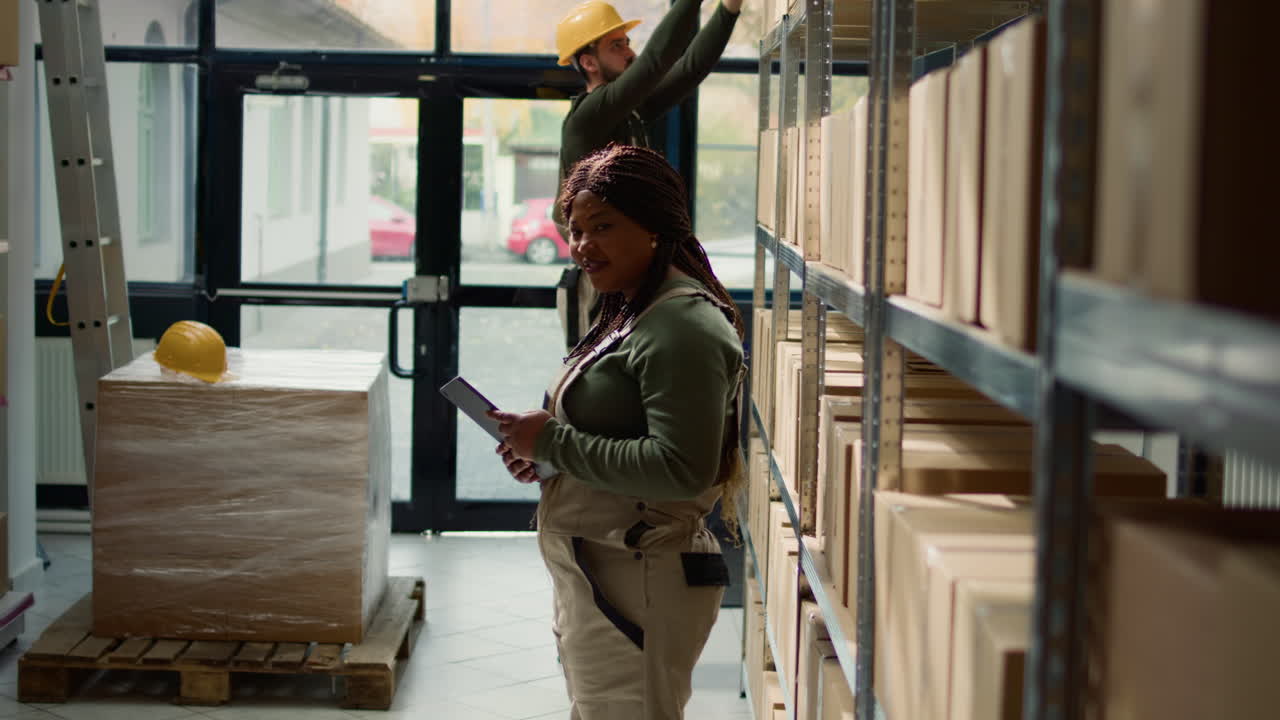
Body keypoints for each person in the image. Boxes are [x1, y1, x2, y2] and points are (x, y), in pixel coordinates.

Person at [490, 144, 747, 720]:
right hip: (602, 570)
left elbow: (682, 470)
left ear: (654, 227)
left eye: (602, 226)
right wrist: (547, 458)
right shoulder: (634, 310)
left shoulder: (683, 325)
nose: (583, 246)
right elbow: (620, 434)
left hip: (640, 578)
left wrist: (555, 443)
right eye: (575, 230)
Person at [553, 0, 745, 352]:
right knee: (609, 372)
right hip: (604, 277)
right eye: (617, 45)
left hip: (630, 266)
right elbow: (657, 62)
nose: (630, 52)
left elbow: (688, 69)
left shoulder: (628, 112)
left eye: (627, 42)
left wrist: (728, 11)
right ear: (589, 62)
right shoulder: (589, 116)